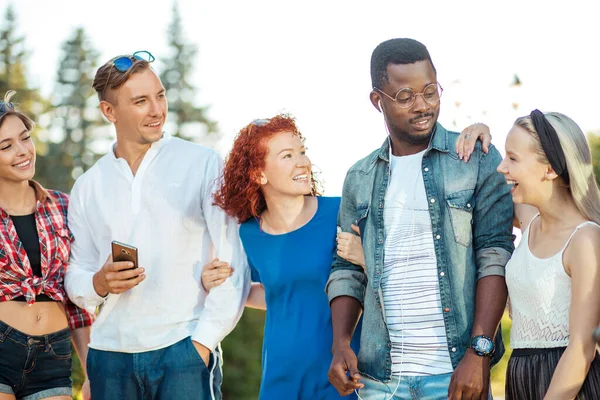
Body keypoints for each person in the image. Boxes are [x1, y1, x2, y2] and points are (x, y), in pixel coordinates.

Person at [326, 38, 515, 399]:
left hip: (455, 374)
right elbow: (345, 269)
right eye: (405, 96)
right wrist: (341, 343)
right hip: (378, 380)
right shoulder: (360, 177)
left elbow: (495, 255)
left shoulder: (475, 159)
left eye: (431, 91)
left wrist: (479, 353)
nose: (423, 106)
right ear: (377, 100)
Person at [63, 51, 250, 400]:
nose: (157, 110)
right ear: (109, 112)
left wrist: (203, 342)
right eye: (141, 101)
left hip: (183, 349)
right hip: (109, 356)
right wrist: (98, 282)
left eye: (160, 95)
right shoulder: (87, 185)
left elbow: (232, 261)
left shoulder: (202, 163)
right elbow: (77, 273)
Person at [201, 115, 361, 399]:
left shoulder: (340, 213)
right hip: (281, 377)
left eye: (302, 152)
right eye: (287, 155)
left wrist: (365, 258)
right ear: (258, 174)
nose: (303, 162)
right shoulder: (247, 234)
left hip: (342, 374)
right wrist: (211, 282)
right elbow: (276, 294)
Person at [457, 111, 600, 399]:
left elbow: (582, 349)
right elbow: (480, 202)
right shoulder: (530, 218)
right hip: (521, 377)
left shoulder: (585, 239)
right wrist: (481, 130)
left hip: (567, 383)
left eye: (513, 158)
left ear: (549, 169)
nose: (502, 167)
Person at [0, 90, 94, 400]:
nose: (22, 151)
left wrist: (91, 370)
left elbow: (77, 299)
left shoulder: (65, 206)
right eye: (6, 146)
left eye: (25, 138)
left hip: (54, 355)